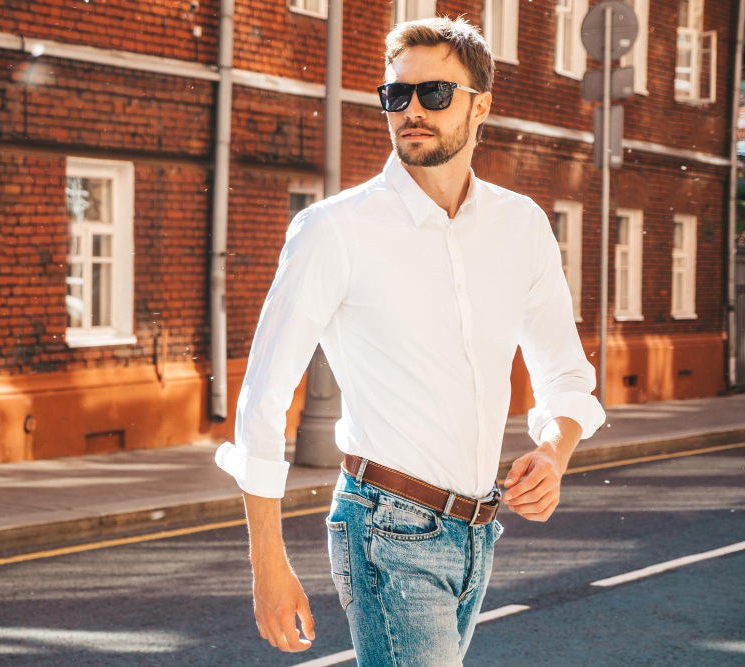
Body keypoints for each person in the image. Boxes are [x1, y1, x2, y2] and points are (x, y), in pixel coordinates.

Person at [214, 15, 606, 666]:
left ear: (481, 104)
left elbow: (565, 372)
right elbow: (261, 399)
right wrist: (267, 562)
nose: (412, 111)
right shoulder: (334, 231)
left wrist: (554, 451)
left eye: (434, 94)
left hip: (479, 531)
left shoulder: (522, 226)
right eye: (397, 95)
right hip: (385, 528)